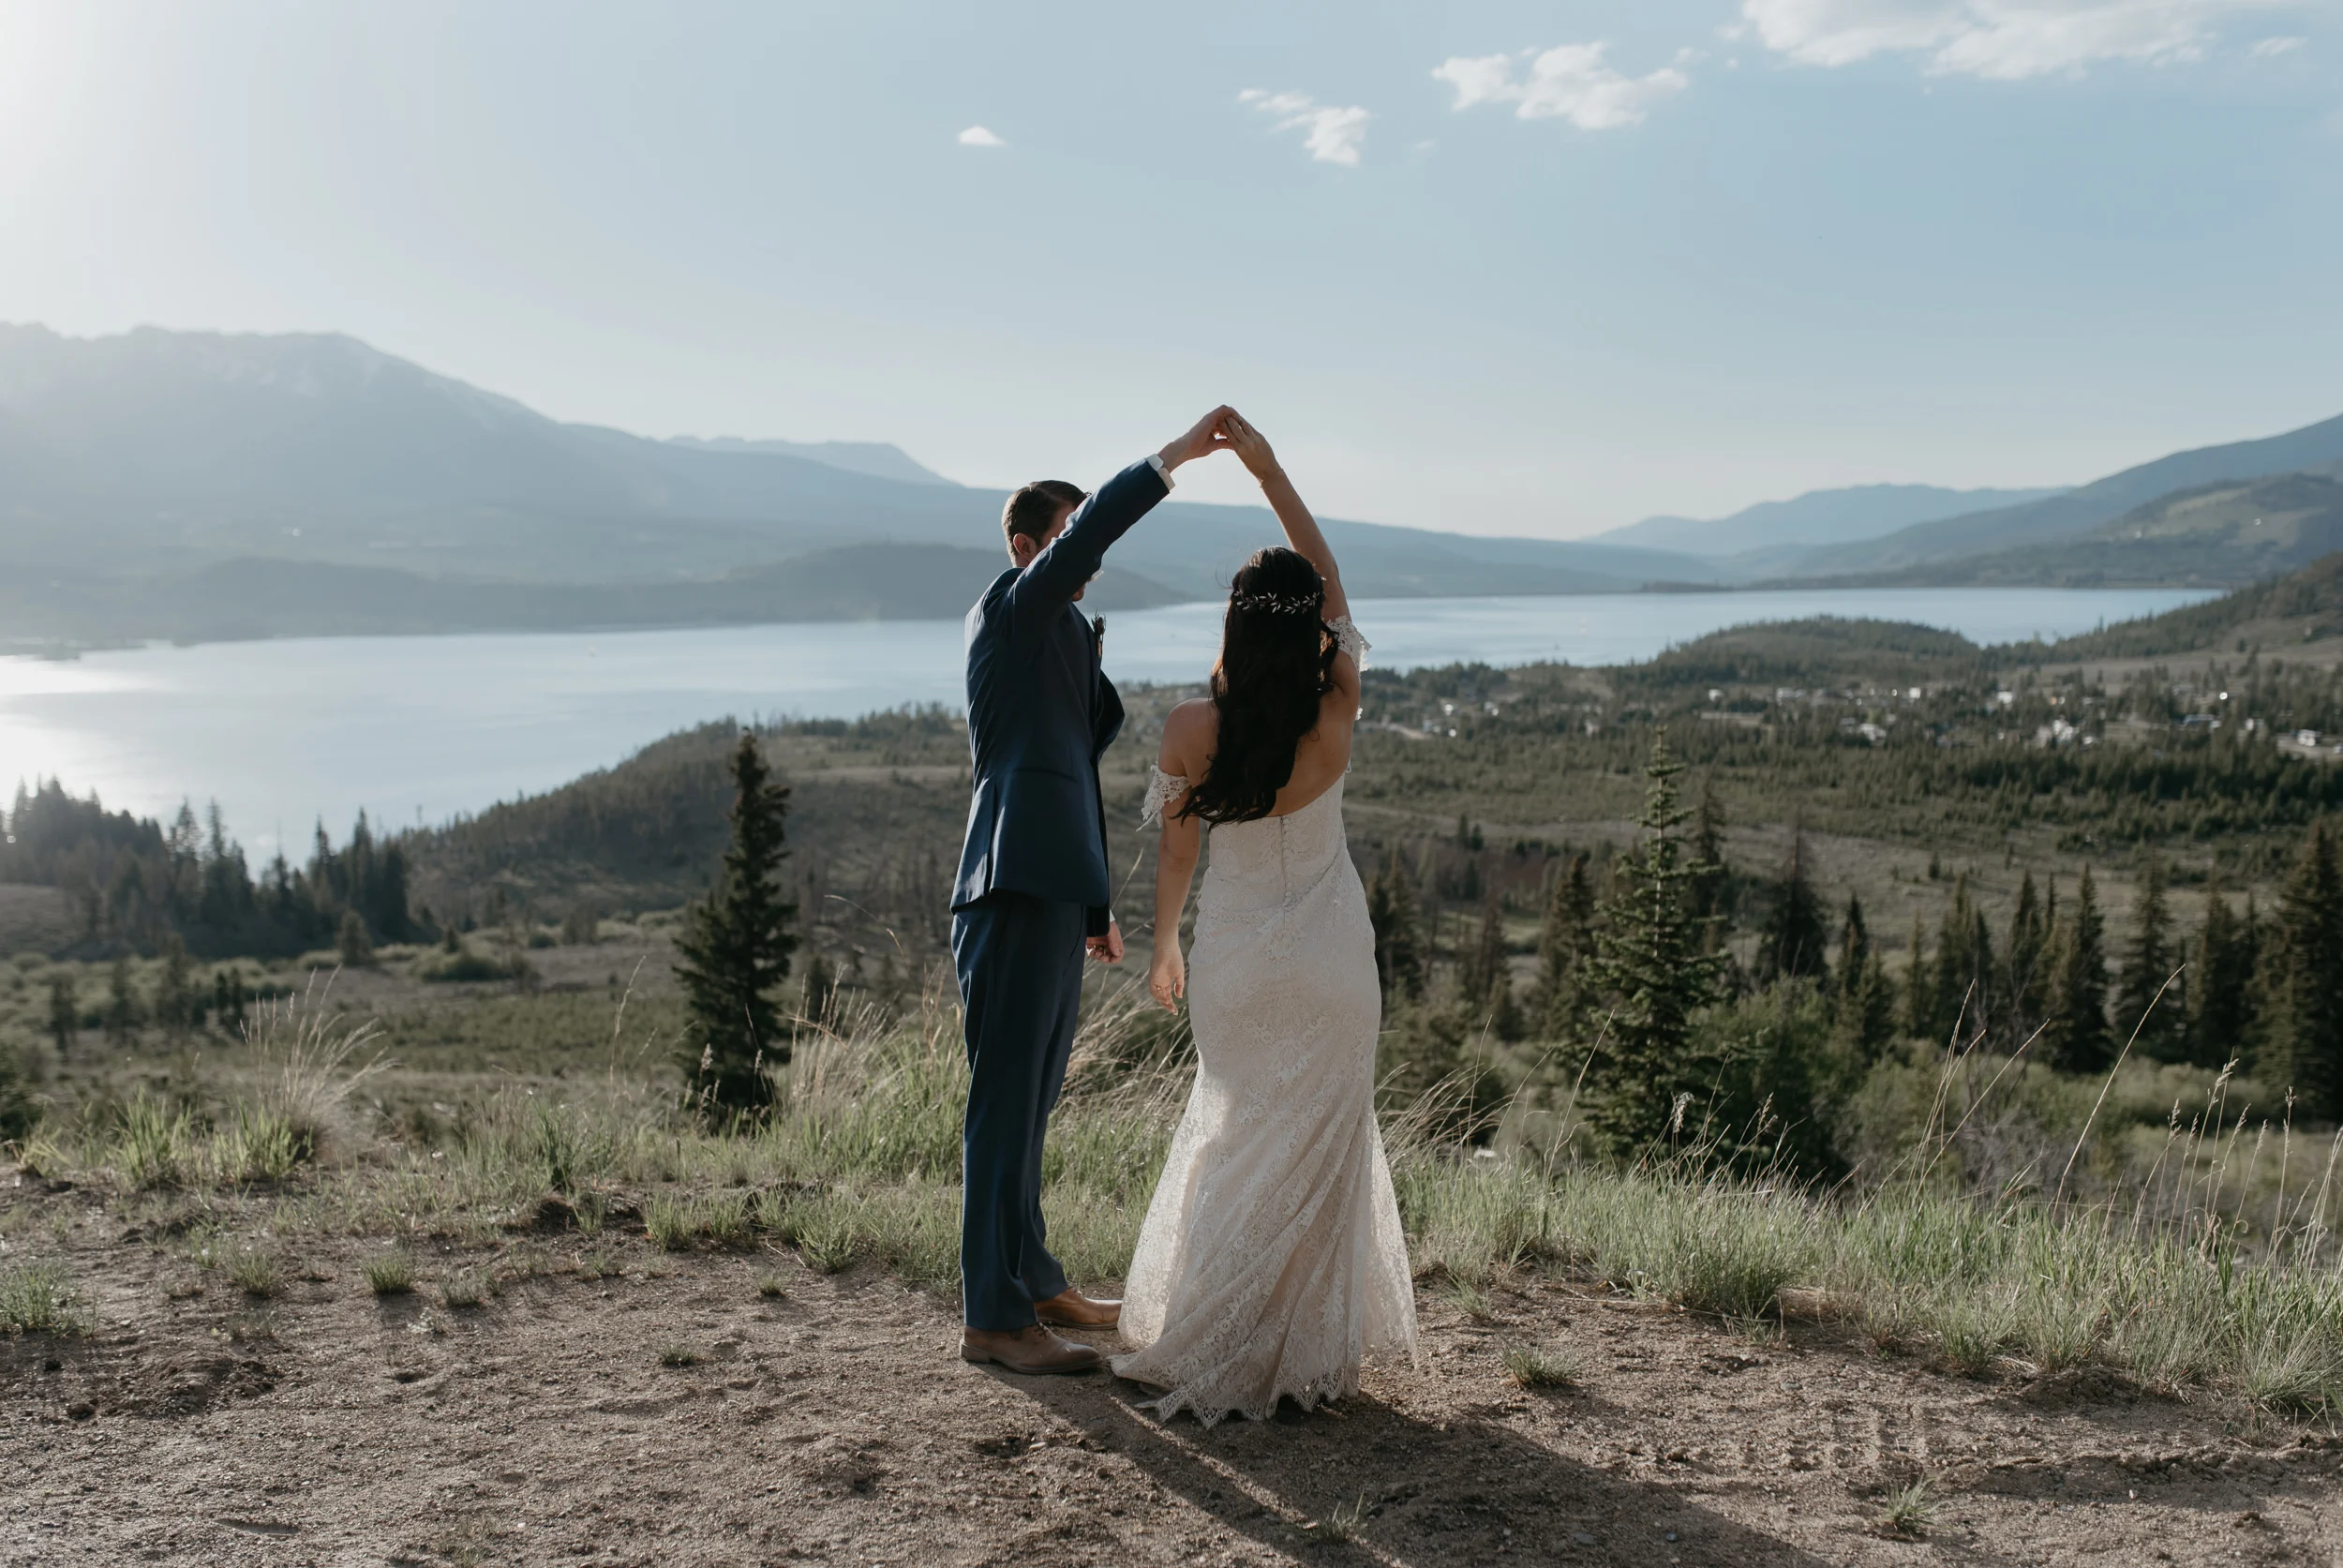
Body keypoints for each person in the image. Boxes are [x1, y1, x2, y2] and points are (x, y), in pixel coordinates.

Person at [1112, 409, 1418, 1423]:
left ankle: (1215, 1329)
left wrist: (1162, 943)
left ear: (1235, 627)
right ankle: (1298, 1357)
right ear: (1310, 630)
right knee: (1321, 1147)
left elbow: (1179, 847)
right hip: (1333, 959)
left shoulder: (1193, 728)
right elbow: (1333, 590)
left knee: (1237, 1135)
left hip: (1237, 962)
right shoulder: (1334, 712)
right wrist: (1270, 469)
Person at [952, 405, 1234, 1376]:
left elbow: (1068, 766)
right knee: (1000, 1103)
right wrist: (1173, 458)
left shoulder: (1063, 632)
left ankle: (1034, 1282)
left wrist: (1093, 902)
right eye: (1067, 544)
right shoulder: (1011, 607)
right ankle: (991, 1316)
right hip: (1005, 884)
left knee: (1032, 1098)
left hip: (1051, 883)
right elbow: (1100, 525)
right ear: (1030, 547)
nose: (1086, 563)